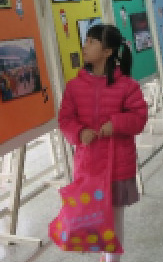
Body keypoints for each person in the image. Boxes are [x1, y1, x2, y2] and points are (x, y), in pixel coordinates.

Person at [58, 24, 147, 262]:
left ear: (107, 51)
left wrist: (115, 124)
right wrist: (79, 132)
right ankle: (105, 254)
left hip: (117, 166)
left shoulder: (127, 85)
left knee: (115, 220)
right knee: (91, 215)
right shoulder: (74, 86)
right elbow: (65, 119)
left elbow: (139, 118)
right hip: (88, 166)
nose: (85, 46)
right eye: (86, 40)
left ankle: (112, 259)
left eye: (91, 42)